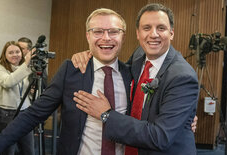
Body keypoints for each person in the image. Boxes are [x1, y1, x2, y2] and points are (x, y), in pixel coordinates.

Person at [0, 8, 131, 155]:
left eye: (113, 31)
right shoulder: (71, 71)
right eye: (98, 31)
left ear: (123, 37)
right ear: (88, 36)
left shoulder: (132, 74)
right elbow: (34, 114)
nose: (106, 37)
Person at [73, 3, 198, 154]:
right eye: (147, 28)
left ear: (171, 33)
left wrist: (106, 114)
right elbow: (121, 74)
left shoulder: (183, 77)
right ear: (138, 33)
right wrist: (91, 54)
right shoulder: (140, 54)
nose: (153, 34)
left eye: (161, 28)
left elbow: (160, 137)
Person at [0, 41, 35, 155]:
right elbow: (8, 82)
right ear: (4, 55)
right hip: (7, 114)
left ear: (22, 53)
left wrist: (31, 92)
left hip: (25, 112)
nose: (15, 55)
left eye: (17, 52)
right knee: (8, 150)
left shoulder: (22, 67)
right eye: (10, 53)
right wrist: (26, 64)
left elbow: (22, 88)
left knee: (28, 149)